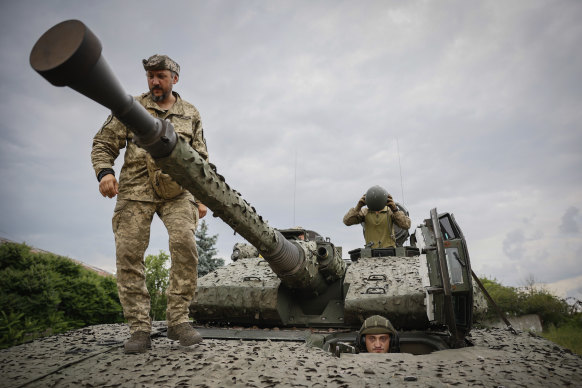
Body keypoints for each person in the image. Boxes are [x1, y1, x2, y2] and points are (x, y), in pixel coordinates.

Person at [91, 54, 208, 354]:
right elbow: (104, 142)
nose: (155, 81)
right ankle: (139, 328)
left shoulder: (191, 113)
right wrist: (105, 172)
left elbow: (200, 160)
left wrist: (201, 197)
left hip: (177, 190)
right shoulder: (131, 108)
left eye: (161, 76)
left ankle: (178, 320)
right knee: (128, 254)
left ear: (174, 79)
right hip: (135, 189)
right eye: (150, 76)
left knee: (185, 244)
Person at [343, 185, 411, 248]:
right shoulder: (364, 212)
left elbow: (406, 225)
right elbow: (347, 221)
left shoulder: (390, 212)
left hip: (389, 250)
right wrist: (357, 208)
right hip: (370, 250)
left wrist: (395, 210)